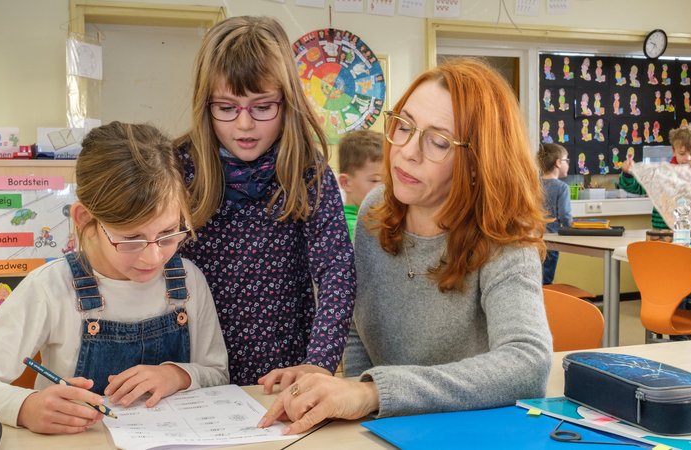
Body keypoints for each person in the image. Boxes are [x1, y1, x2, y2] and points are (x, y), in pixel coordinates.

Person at [259, 58, 553, 433]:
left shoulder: (504, 237)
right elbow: (358, 332)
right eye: (404, 126)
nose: (408, 151)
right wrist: (353, 396)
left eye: (438, 141)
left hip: (476, 431)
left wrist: (371, 393)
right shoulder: (376, 209)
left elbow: (528, 364)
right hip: (390, 427)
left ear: (480, 161)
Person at [0, 122, 229, 434]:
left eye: (168, 235)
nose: (153, 256)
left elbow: (217, 374)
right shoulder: (51, 287)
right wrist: (25, 406)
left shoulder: (188, 281)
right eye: (131, 239)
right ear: (85, 218)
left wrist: (177, 375)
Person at [174, 16, 356, 388]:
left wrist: (319, 363)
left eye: (262, 107)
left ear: (286, 102)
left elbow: (336, 268)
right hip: (191, 371)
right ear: (204, 104)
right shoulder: (180, 168)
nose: (244, 125)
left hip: (279, 375)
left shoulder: (306, 170)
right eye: (226, 108)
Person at [620, 125, 691, 229]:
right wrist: (628, 173)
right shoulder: (664, 174)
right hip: (664, 233)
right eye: (682, 154)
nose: (687, 158)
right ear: (674, 151)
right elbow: (635, 188)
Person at [337, 129, 384, 240]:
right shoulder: (351, 229)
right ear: (346, 183)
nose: (384, 189)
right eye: (375, 180)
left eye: (389, 181)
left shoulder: (372, 219)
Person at [537, 143, 572, 284]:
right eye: (566, 160)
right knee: (546, 281)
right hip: (551, 242)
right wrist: (574, 227)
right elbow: (565, 216)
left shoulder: (533, 184)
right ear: (558, 163)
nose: (568, 164)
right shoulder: (562, 187)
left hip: (534, 239)